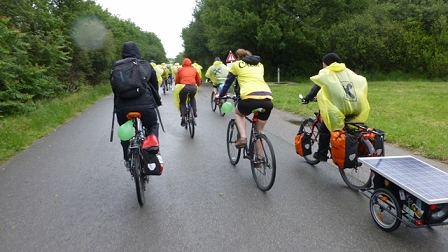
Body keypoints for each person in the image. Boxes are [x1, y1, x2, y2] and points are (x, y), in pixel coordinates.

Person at [302, 53, 370, 161]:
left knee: (325, 128)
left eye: (323, 64)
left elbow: (317, 86)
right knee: (350, 127)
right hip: (357, 108)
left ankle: (322, 155)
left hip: (341, 109)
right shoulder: (347, 72)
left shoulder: (328, 73)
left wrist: (307, 98)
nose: (322, 66)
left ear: (327, 64)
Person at [112, 42, 162, 170]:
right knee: (152, 125)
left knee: (125, 132)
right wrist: (157, 101)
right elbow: (154, 85)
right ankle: (151, 146)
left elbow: (115, 89)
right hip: (145, 105)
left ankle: (128, 159)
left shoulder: (117, 67)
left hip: (123, 107)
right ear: (137, 52)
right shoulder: (145, 65)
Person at [216, 48, 274, 153]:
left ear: (238, 57)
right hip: (267, 99)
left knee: (238, 113)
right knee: (260, 131)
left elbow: (228, 83)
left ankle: (243, 137)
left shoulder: (236, 65)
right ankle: (260, 160)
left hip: (249, 98)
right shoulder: (260, 65)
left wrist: (220, 95)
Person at [175, 58, 201, 126]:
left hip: (183, 87)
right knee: (192, 98)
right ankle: (194, 112)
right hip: (193, 87)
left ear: (183, 63)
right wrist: (197, 85)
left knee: (182, 102)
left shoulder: (180, 70)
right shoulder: (194, 69)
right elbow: (198, 80)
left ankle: (183, 117)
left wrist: (177, 87)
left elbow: (177, 81)